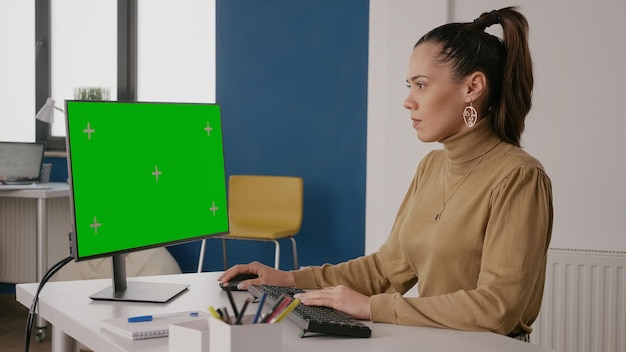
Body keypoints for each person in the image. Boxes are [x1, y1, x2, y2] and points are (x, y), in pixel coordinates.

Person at [218, 7, 553, 342]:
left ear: (473, 87)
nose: (408, 101)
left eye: (421, 85)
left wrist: (372, 307)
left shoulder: (519, 176)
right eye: (409, 86)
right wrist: (289, 280)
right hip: (436, 342)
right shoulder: (432, 166)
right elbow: (385, 269)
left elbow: (498, 308)